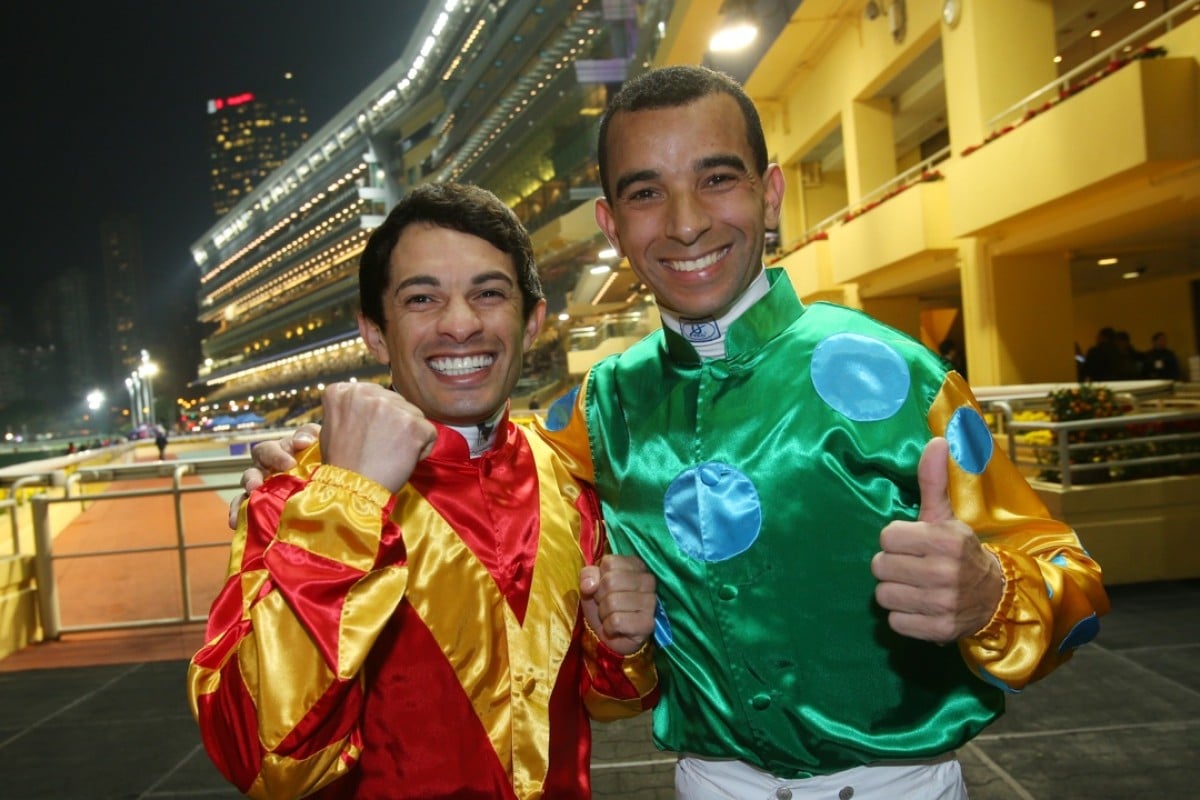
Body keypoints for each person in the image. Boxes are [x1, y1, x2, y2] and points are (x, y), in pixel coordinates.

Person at [243, 67, 1109, 799]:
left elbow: (1073, 581)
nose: (686, 221)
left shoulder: (900, 374)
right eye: (646, 193)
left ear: (769, 194)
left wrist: (992, 593)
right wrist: (318, 472)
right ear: (613, 226)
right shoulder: (601, 406)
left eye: (718, 178)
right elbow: (481, 469)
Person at [190, 182, 660, 799]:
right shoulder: (297, 493)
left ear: (533, 321)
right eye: (422, 298)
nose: (460, 324)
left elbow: (610, 701)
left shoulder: (570, 476)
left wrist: (622, 644)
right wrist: (346, 502)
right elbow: (264, 760)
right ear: (376, 334)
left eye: (489, 293)